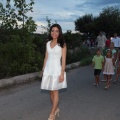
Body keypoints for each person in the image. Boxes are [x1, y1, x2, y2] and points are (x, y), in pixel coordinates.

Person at [41, 24, 67, 120]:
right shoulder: (48, 43)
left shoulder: (62, 44)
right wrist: (43, 69)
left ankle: (52, 114)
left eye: (56, 31)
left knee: (55, 91)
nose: (54, 33)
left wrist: (62, 73)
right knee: (51, 92)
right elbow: (46, 58)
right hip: (48, 70)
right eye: (53, 30)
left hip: (57, 70)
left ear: (59, 32)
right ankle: (56, 109)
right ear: (50, 32)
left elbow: (63, 60)